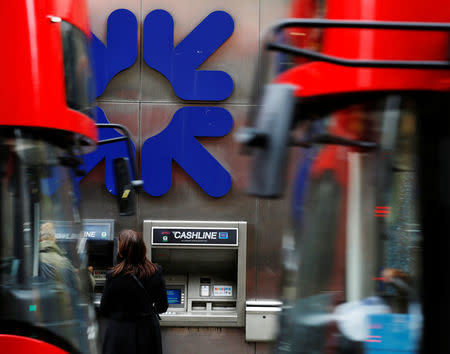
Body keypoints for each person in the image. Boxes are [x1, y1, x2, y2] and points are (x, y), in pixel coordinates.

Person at [99, 229, 168, 354]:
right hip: (147, 332)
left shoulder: (113, 275)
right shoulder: (156, 271)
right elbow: (163, 307)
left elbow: (104, 309)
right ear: (142, 247)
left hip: (120, 333)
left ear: (121, 249)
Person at [39, 222, 78, 290]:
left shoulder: (31, 261)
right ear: (54, 239)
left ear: (39, 240)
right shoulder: (65, 263)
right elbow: (75, 289)